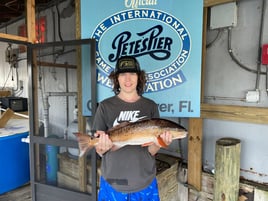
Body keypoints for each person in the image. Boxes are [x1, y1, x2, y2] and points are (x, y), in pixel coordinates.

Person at [92, 56, 173, 201]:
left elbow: (151, 151)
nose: (127, 79)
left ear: (139, 77)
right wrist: (102, 146)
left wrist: (161, 142)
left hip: (144, 182)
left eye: (132, 73)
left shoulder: (150, 106)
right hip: (113, 183)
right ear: (116, 79)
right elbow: (99, 150)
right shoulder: (105, 106)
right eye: (122, 74)